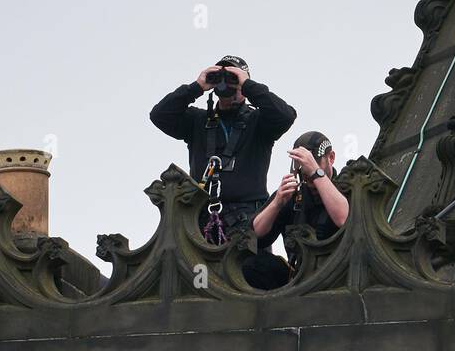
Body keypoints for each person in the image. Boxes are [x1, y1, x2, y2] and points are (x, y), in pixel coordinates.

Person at [149, 56, 296, 241]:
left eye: (233, 78)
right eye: (221, 77)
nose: (228, 84)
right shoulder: (198, 121)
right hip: (200, 221)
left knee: (251, 267)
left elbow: (285, 116)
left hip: (248, 221)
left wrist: (248, 85)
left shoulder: (258, 122)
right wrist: (197, 87)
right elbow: (159, 115)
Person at [244, 132, 349, 290]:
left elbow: (343, 219)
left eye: (313, 166)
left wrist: (316, 173)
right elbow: (252, 236)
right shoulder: (294, 194)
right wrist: (277, 204)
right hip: (297, 277)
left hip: (340, 276)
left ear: (331, 158)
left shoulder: (346, 187)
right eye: (303, 170)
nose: (307, 176)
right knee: (250, 262)